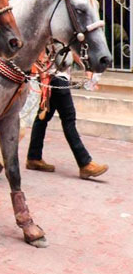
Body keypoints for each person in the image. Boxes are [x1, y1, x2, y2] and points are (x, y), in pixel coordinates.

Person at [26, 46, 109, 179]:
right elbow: (40, 50)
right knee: (68, 120)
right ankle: (85, 163)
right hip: (56, 79)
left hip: (53, 78)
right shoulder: (54, 30)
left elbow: (71, 49)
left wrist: (85, 67)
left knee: (42, 118)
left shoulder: (62, 31)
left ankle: (33, 157)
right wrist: (43, 76)